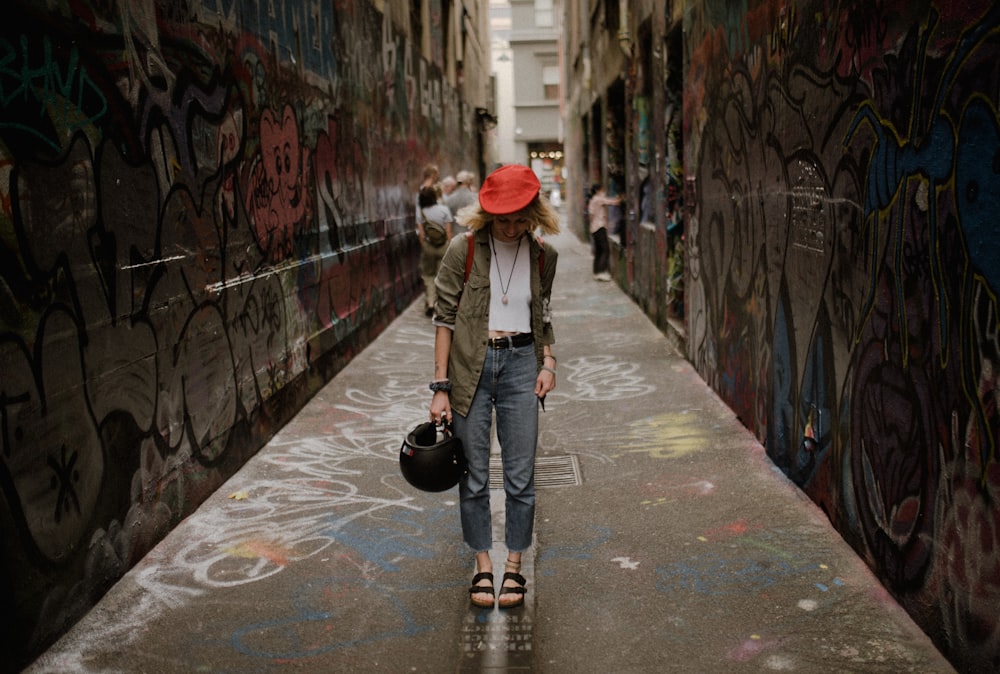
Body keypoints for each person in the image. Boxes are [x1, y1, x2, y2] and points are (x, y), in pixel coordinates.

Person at [429, 164, 559, 609]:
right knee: (475, 476)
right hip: (471, 368)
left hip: (523, 364)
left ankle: (515, 566)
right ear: (487, 215)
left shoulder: (544, 256)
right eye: (503, 218)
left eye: (521, 217)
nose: (512, 227)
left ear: (534, 213)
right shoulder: (461, 250)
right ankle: (483, 565)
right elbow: (444, 320)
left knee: (521, 477)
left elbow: (542, 316)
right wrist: (440, 386)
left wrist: (549, 362)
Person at [417, 185, 454, 316]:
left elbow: (421, 234)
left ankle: (431, 303)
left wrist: (425, 245)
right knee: (441, 276)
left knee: (428, 276)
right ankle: (440, 305)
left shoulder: (421, 212)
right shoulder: (444, 210)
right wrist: (449, 246)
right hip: (443, 246)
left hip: (428, 247)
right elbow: (449, 231)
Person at [587, 183, 622, 281]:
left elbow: (591, 216)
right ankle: (601, 272)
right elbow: (613, 202)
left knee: (599, 251)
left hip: (594, 228)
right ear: (598, 191)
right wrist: (622, 198)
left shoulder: (593, 200)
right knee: (605, 250)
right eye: (602, 190)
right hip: (600, 227)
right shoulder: (598, 199)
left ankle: (597, 272)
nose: (603, 192)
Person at [445, 170, 478, 236]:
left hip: (455, 236)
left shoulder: (449, 199)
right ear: (469, 182)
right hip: (471, 236)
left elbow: (448, 223)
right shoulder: (475, 198)